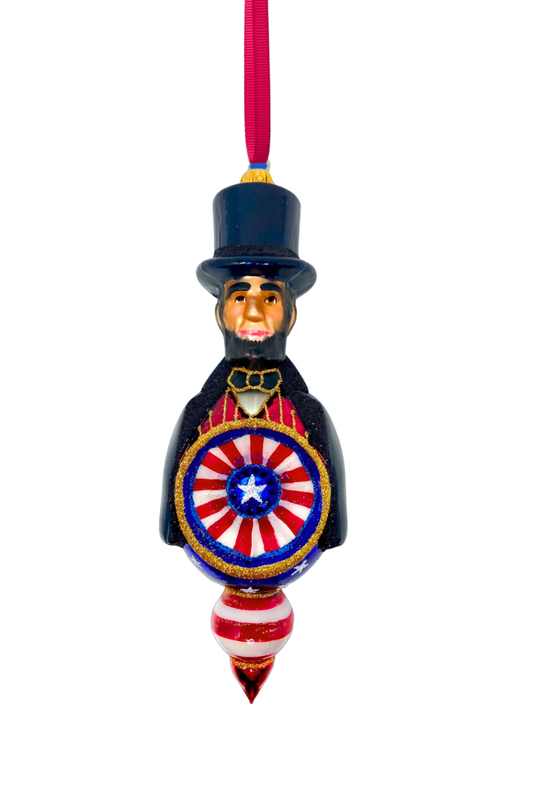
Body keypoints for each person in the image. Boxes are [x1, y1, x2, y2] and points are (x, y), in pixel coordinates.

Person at [160, 178, 347, 582]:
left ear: (291, 316)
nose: (255, 313)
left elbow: (333, 528)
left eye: (271, 299)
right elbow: (172, 525)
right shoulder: (198, 411)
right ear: (220, 314)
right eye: (241, 297)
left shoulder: (308, 413)